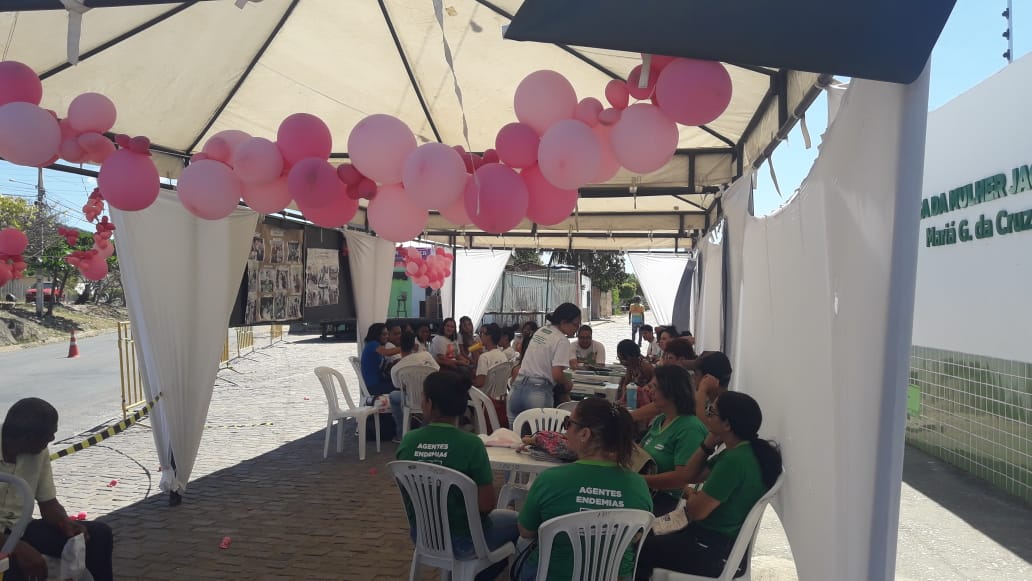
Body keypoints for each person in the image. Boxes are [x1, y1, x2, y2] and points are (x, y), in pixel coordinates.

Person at [635, 392, 782, 579]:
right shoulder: (744, 450)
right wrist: (707, 444)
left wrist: (691, 495)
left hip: (709, 548)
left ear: (727, 424)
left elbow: (697, 511)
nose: (706, 415)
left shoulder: (734, 461)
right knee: (645, 536)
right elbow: (689, 475)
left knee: (638, 548)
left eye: (711, 412)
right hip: (714, 542)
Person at [396, 371, 519, 581]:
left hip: (423, 536)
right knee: (520, 523)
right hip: (466, 541)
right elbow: (486, 505)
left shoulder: (408, 441)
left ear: (429, 403)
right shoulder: (472, 444)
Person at [516, 398, 653, 580]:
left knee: (521, 543)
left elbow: (526, 531)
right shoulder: (638, 485)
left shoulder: (550, 480)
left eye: (568, 423)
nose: (565, 431)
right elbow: (636, 536)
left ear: (584, 434)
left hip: (555, 575)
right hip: (616, 577)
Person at [0, 398, 114, 581]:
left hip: (20, 528)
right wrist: (16, 548)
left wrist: (64, 522)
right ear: (28, 439)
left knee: (99, 535)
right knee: (12, 568)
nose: (52, 439)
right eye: (50, 435)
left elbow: (48, 503)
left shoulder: (38, 451)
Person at [639, 366, 708, 516]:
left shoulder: (690, 429)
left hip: (666, 502)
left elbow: (681, 479)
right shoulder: (661, 420)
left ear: (671, 392)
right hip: (647, 493)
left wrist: (638, 480)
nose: (649, 391)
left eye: (654, 387)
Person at [507, 303, 580, 426]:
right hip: (538, 392)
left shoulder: (542, 330)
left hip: (516, 390)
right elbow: (557, 374)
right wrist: (568, 384)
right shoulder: (562, 340)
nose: (577, 328)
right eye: (575, 324)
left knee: (514, 436)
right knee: (540, 436)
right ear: (563, 322)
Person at [389, 331, 440, 440]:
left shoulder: (396, 368)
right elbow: (437, 371)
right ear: (414, 345)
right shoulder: (426, 355)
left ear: (399, 346)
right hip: (430, 399)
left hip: (410, 399)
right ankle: (424, 429)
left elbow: (397, 385)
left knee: (393, 396)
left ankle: (401, 432)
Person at [360, 323, 399, 399]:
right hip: (374, 386)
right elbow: (386, 352)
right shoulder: (373, 344)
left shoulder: (372, 344)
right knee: (402, 387)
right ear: (376, 335)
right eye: (384, 334)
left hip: (376, 383)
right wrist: (405, 347)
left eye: (387, 334)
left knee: (398, 384)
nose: (387, 336)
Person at [615, 339, 655, 407]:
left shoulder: (645, 366)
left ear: (632, 356)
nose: (621, 362)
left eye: (623, 359)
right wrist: (623, 397)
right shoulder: (631, 365)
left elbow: (651, 388)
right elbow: (626, 383)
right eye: (619, 358)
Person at [473, 324, 508, 392]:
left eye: (482, 333)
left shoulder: (484, 357)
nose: (480, 336)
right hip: (498, 394)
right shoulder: (503, 355)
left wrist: (468, 382)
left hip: (484, 395)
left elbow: (480, 383)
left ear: (489, 336)